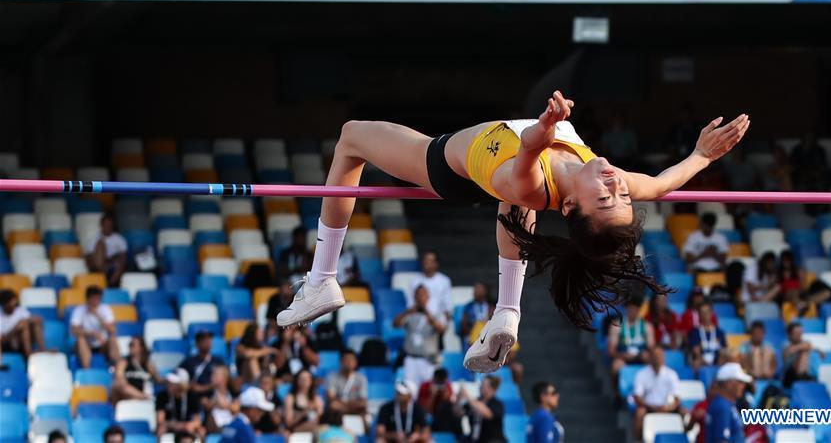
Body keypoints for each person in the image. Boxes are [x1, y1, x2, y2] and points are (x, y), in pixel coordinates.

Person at [276, 93, 749, 375]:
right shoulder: (606, 182)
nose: (616, 186)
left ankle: (322, 278)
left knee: (352, 135)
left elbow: (525, 157)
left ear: (569, 207)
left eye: (607, 198)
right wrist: (703, 156)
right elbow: (663, 184)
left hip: (446, 164)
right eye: (622, 196)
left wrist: (542, 132)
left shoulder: (531, 181)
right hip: (512, 177)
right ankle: (506, 312)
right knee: (519, 204)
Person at [393, 285, 445, 391]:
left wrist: (427, 313)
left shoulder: (435, 313)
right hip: (411, 359)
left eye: (423, 295)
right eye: (418, 295)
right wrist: (408, 312)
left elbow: (441, 329)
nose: (420, 297)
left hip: (428, 360)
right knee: (410, 390)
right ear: (414, 297)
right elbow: (395, 324)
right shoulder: (410, 314)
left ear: (428, 297)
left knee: (428, 390)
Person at [632, 346, 683, 442]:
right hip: (649, 408)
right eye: (655, 355)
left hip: (667, 408)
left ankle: (682, 438)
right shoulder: (641, 374)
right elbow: (637, 397)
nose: (658, 358)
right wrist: (652, 407)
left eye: (660, 355)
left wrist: (669, 407)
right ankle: (639, 441)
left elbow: (677, 398)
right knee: (640, 413)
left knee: (684, 412)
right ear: (650, 357)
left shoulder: (671, 374)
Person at [70, 285, 119, 369]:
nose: (95, 301)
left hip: (102, 345)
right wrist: (90, 333)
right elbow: (73, 330)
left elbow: (112, 330)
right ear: (87, 298)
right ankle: (87, 371)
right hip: (86, 344)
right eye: (93, 298)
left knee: (112, 339)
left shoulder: (105, 309)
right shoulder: (79, 310)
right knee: (81, 339)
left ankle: (118, 368)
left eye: (97, 299)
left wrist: (97, 315)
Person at [608, 297, 654, 386]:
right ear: (626, 308)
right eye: (630, 309)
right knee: (616, 366)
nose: (633, 312)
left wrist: (647, 354)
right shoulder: (616, 326)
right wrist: (622, 355)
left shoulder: (647, 326)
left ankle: (650, 389)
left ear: (639, 310)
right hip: (624, 357)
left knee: (652, 360)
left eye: (635, 309)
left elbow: (652, 348)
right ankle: (617, 394)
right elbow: (611, 351)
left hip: (641, 357)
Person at [706, 363, 752, 443]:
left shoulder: (725, 404)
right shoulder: (722, 407)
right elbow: (722, 440)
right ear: (729, 384)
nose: (743, 386)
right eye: (740, 382)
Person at [156, 368, 204, 439]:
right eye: (169, 382)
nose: (169, 385)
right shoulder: (162, 396)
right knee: (161, 429)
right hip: (170, 425)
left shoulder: (191, 396)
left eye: (173, 383)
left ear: (182, 385)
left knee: (201, 431)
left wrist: (190, 425)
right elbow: (160, 420)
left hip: (186, 425)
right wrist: (174, 425)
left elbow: (197, 421)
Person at [112, 336, 162, 403]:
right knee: (118, 384)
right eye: (130, 344)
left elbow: (158, 380)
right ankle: (144, 397)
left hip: (142, 394)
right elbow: (119, 378)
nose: (130, 347)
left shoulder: (148, 364)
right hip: (127, 397)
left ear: (141, 348)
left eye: (133, 345)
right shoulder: (124, 362)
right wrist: (142, 396)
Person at [180, 329, 226, 400]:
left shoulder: (218, 361)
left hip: (217, 396)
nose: (208, 342)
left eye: (209, 339)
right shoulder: (189, 362)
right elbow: (180, 377)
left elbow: (225, 379)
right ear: (197, 344)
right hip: (196, 398)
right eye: (204, 340)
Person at [458, 375, 506, 443]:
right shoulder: (475, 401)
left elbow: (487, 414)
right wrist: (459, 397)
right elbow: (458, 413)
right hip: (474, 439)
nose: (480, 387)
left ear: (491, 388)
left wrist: (467, 397)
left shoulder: (497, 404)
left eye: (483, 385)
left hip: (492, 440)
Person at [409, 251, 453, 323]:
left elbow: (447, 306)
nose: (426, 262)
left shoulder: (444, 280)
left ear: (436, 264)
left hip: (438, 318)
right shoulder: (414, 281)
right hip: (419, 317)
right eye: (425, 260)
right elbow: (411, 304)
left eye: (429, 260)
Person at [85, 213, 127, 287]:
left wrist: (118, 273)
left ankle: (111, 279)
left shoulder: (119, 239)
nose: (108, 227)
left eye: (110, 225)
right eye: (106, 225)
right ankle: (102, 276)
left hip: (112, 266)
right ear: (101, 225)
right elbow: (89, 258)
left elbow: (123, 257)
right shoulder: (93, 239)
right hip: (97, 267)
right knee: (100, 244)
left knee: (119, 260)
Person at [0, 288, 44, 356]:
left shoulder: (20, 310)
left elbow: (30, 320)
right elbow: (2, 338)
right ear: (4, 304)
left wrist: (29, 321)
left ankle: (42, 348)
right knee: (23, 324)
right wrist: (16, 329)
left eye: (14, 300)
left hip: (21, 340)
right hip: (8, 343)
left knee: (36, 321)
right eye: (11, 302)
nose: (13, 303)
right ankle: (28, 353)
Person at [326, 349, 368, 418]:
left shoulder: (361, 378)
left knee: (363, 405)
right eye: (346, 360)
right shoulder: (332, 377)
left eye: (351, 360)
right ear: (341, 362)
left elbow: (363, 400)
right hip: (342, 410)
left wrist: (346, 405)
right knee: (333, 405)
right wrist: (351, 405)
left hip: (346, 407)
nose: (349, 363)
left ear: (356, 362)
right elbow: (332, 398)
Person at [687, 302, 727, 370]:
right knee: (696, 363)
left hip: (717, 362)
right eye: (702, 313)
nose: (705, 315)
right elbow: (696, 351)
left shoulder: (719, 332)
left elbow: (723, 350)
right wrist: (703, 361)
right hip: (701, 362)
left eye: (707, 312)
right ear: (699, 315)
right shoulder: (695, 332)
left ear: (711, 313)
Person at [201, 365, 239, 433]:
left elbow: (236, 408)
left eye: (215, 375)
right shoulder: (208, 392)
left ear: (224, 378)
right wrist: (215, 402)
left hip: (229, 425)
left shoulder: (233, 392)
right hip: (212, 426)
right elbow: (205, 404)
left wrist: (225, 405)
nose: (212, 377)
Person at [284, 368, 324, 433]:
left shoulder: (317, 399)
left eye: (306, 379)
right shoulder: (290, 398)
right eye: (301, 379)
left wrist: (317, 413)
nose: (304, 381)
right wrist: (304, 412)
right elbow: (289, 423)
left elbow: (321, 419)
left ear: (311, 381)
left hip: (314, 430)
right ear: (297, 380)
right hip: (296, 430)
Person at [781, 322, 819, 387]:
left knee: (804, 353)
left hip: (804, 376)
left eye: (800, 333)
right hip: (789, 377)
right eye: (797, 333)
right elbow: (787, 353)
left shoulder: (805, 344)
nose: (799, 336)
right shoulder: (785, 345)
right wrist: (802, 346)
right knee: (803, 352)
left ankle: (803, 377)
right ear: (790, 334)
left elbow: (808, 346)